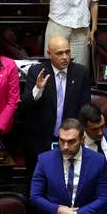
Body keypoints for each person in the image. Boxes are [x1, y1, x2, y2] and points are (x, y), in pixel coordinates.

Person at [30, 118, 107, 214]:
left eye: (71, 141)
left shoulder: (98, 161)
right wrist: (59, 210)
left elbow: (103, 197)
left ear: (83, 138)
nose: (65, 146)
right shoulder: (44, 160)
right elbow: (35, 196)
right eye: (61, 141)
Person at [19, 35, 91, 174]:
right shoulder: (37, 72)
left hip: (70, 139)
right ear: (49, 54)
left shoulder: (81, 73)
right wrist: (38, 89)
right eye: (59, 53)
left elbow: (84, 107)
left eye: (67, 52)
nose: (65, 57)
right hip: (40, 139)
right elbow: (25, 107)